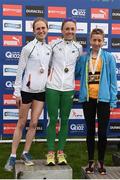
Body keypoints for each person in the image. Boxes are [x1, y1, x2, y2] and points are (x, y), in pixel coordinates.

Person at [4, 17, 52, 171]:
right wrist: (17, 92)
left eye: (43, 28)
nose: (41, 31)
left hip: (41, 92)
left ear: (47, 29)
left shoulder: (49, 49)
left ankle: (25, 152)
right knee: (21, 123)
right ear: (33, 31)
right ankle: (12, 156)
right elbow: (19, 71)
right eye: (38, 28)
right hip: (26, 91)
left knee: (33, 123)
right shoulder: (27, 48)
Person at [75, 28, 117, 175]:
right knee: (90, 132)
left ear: (103, 41)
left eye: (99, 40)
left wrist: (113, 101)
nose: (97, 43)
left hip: (104, 100)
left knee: (103, 133)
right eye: (94, 40)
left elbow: (113, 81)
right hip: (88, 100)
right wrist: (78, 58)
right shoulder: (84, 58)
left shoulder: (109, 57)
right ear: (90, 41)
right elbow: (76, 73)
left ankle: (101, 162)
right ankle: (90, 161)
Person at [46, 18, 83, 166]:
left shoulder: (78, 48)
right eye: (67, 29)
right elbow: (47, 64)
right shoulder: (53, 44)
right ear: (62, 30)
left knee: (65, 120)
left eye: (72, 29)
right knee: (53, 119)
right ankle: (50, 152)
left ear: (75, 31)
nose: (69, 31)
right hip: (52, 87)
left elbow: (78, 68)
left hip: (68, 88)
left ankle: (60, 152)